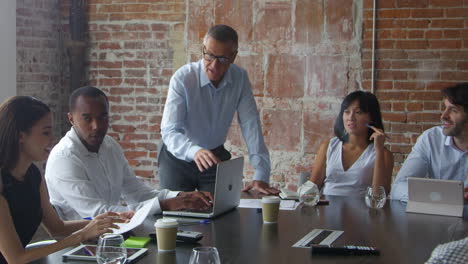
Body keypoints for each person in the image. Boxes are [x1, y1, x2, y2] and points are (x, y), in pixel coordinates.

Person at [45, 86, 213, 221]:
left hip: (115, 234)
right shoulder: (64, 159)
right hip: (78, 247)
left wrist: (182, 196)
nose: (97, 126)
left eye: (103, 117)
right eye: (87, 118)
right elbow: (100, 214)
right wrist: (165, 204)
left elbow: (138, 192)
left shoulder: (110, 146)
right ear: (71, 119)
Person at [0, 96, 124, 264]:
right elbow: (16, 258)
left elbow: (57, 227)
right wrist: (83, 234)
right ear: (21, 136)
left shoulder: (32, 175)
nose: (52, 138)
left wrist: (100, 222)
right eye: (46, 132)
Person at [159, 24, 279, 195]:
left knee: (221, 211)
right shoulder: (183, 78)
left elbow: (250, 124)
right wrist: (195, 151)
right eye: (209, 56)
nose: (214, 65)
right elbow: (169, 131)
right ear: (203, 50)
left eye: (222, 59)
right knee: (175, 215)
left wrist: (261, 173)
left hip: (214, 157)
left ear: (233, 57)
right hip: (177, 157)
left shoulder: (240, 78)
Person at [391, 83, 468, 202]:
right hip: (439, 216)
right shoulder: (431, 139)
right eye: (445, 108)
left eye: (453, 110)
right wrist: (443, 195)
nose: (443, 116)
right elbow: (398, 188)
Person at [309, 91, 394, 197]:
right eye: (347, 112)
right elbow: (312, 189)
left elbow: (379, 196)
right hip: (327, 209)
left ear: (371, 117)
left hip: (362, 211)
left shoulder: (384, 154)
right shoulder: (328, 146)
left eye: (358, 112)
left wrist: (379, 150)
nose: (351, 117)